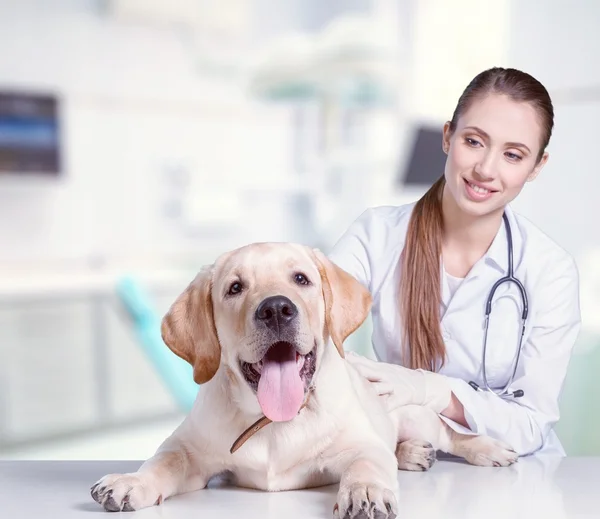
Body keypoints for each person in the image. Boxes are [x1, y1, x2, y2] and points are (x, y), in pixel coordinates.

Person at [327, 66, 581, 457]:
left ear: (537, 167)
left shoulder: (550, 271)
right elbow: (312, 326)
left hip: (518, 476)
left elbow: (530, 424)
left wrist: (432, 391)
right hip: (404, 460)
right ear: (448, 136)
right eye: (474, 141)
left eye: (513, 155)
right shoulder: (376, 236)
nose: (486, 169)